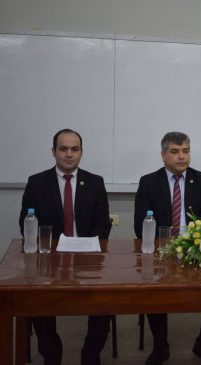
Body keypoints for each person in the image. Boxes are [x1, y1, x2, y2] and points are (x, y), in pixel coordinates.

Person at [19, 129, 112, 365]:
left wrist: (86, 248)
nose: (69, 154)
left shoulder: (95, 182)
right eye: (63, 149)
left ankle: (91, 352)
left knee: (107, 299)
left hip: (88, 258)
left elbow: (102, 225)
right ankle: (52, 351)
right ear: (53, 152)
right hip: (49, 259)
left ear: (81, 152)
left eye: (74, 149)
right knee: (37, 301)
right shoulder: (37, 182)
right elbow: (26, 224)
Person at [134, 132, 201, 365]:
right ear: (163, 155)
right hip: (161, 250)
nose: (181, 156)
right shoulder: (148, 182)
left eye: (185, 151)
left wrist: (195, 245)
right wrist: (165, 248)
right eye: (175, 151)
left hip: (198, 249)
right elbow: (140, 225)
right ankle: (160, 344)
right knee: (154, 287)